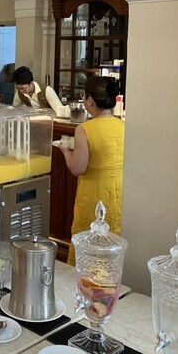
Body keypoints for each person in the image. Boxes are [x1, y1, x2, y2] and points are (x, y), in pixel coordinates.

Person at [59, 76, 124, 266]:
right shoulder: (123, 126)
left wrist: (65, 151)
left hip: (94, 194)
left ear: (90, 101)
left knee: (88, 245)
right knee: (112, 241)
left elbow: (77, 168)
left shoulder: (85, 129)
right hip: (118, 193)